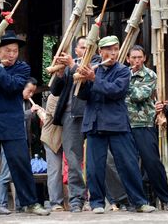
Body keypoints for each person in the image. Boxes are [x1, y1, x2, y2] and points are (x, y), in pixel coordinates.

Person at [0, 31, 49, 218]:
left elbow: (12, 86)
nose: (11, 54)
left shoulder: (22, 69)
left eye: (14, 51)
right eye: (7, 50)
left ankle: (30, 203)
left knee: (20, 164)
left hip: (11, 124)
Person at [76, 35, 156, 214]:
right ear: (100, 52)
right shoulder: (93, 67)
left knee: (128, 164)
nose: (112, 53)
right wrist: (82, 80)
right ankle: (97, 203)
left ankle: (139, 202)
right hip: (94, 123)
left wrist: (93, 79)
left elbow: (115, 91)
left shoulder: (123, 71)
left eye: (115, 49)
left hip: (117, 123)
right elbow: (82, 95)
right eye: (108, 50)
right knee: (94, 167)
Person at [125, 45, 168, 211]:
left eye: (139, 57)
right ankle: (135, 201)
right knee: (129, 163)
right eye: (133, 58)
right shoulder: (123, 73)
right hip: (124, 124)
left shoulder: (149, 75)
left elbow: (139, 95)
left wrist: (122, 83)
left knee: (152, 162)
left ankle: (167, 199)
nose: (137, 61)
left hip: (144, 123)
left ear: (145, 58)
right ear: (127, 59)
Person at [50, 36, 93, 213]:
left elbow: (87, 79)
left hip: (91, 114)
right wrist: (60, 73)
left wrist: (72, 65)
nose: (84, 51)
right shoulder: (69, 65)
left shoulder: (96, 63)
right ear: (76, 50)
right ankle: (76, 199)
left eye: (87, 48)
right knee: (73, 158)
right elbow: (54, 90)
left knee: (101, 158)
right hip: (70, 115)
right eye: (81, 48)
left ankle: (107, 198)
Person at [0, 78, 37, 213]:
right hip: (9, 140)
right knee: (5, 175)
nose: (30, 95)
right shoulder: (12, 101)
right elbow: (16, 118)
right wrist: (31, 112)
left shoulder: (23, 103)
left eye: (33, 92)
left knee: (19, 173)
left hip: (21, 142)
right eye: (29, 91)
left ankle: (20, 205)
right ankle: (2, 204)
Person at [38, 93, 65, 211]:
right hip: (52, 138)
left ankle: (77, 200)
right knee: (55, 169)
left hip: (67, 138)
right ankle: (55, 202)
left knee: (75, 167)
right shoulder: (53, 97)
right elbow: (60, 117)